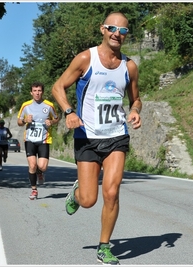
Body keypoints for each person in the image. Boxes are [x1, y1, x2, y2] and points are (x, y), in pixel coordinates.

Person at [51, 12, 142, 265]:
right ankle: (77, 193)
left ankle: (104, 246)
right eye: (113, 28)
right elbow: (58, 87)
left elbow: (136, 99)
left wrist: (134, 111)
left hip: (116, 136)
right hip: (87, 136)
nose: (117, 34)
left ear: (126, 35)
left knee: (111, 192)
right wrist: (69, 111)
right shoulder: (85, 58)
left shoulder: (129, 66)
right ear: (103, 29)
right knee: (89, 200)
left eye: (122, 31)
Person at [17, 82, 59, 200]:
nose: (37, 93)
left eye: (39, 90)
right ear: (31, 92)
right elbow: (19, 122)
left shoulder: (49, 105)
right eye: (35, 91)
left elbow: (56, 118)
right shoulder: (26, 106)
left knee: (42, 166)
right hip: (30, 139)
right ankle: (34, 189)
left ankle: (40, 172)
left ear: (42, 92)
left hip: (44, 139)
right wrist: (25, 120)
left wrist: (51, 122)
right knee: (32, 164)